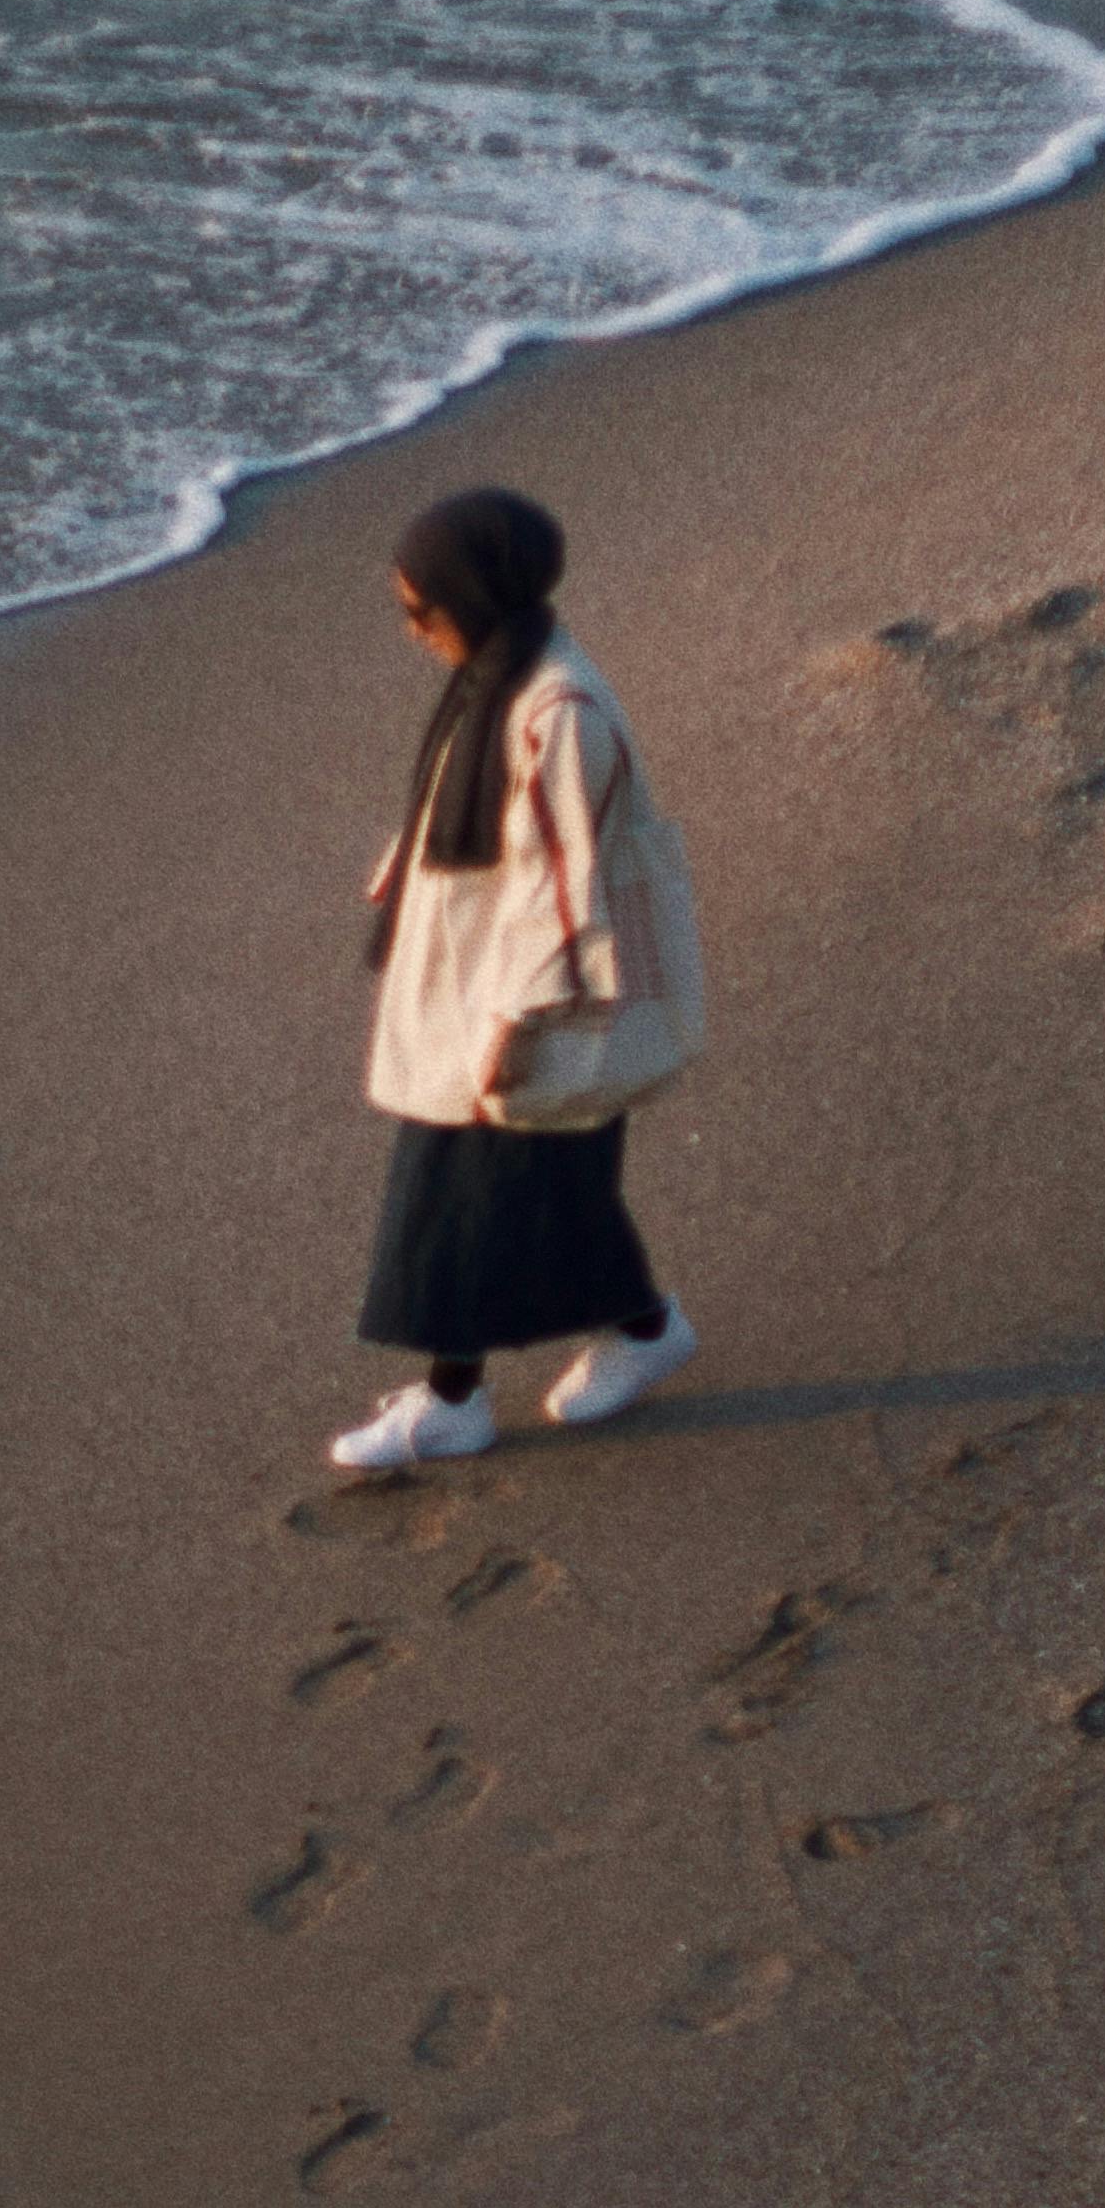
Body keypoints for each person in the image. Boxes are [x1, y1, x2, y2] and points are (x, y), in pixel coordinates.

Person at [333, 483, 696, 1478]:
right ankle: (643, 1327)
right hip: (483, 976)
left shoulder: (558, 706)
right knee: (548, 1194)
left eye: (420, 608)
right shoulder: (502, 673)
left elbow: (567, 882)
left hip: (528, 998)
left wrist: (514, 1018)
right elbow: (470, 806)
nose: (412, 630)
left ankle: (452, 1401)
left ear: (472, 594)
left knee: (462, 1193)